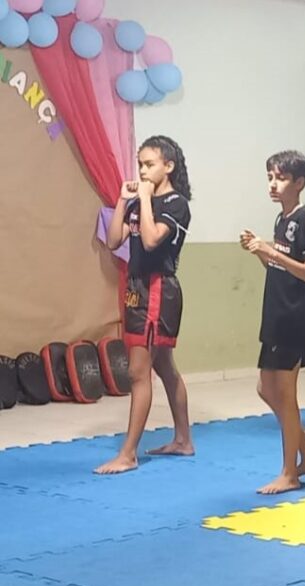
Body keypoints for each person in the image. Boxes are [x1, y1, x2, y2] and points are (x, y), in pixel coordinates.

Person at [95, 136, 195, 475]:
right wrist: (124, 202)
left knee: (139, 373)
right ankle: (183, 439)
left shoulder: (176, 204)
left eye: (149, 164)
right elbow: (112, 241)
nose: (142, 170)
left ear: (168, 166)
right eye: (140, 164)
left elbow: (151, 240)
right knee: (164, 366)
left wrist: (147, 198)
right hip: (137, 289)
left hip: (158, 289)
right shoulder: (139, 203)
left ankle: (128, 453)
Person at [240, 150, 305, 494]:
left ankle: (290, 472)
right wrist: (260, 251)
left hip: (295, 317)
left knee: (286, 396)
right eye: (270, 178)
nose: (273, 185)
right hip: (276, 311)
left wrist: (271, 251)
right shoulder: (281, 219)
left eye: (281, 178)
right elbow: (280, 269)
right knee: (266, 389)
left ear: (300, 183)